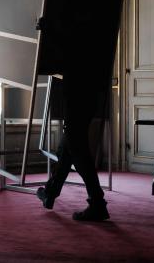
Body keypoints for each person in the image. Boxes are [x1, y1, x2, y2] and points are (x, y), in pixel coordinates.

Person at [35, 11, 110, 222]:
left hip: (78, 92)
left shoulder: (82, 31)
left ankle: (97, 203)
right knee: (69, 146)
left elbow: (70, 54)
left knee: (77, 149)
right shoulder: (98, 28)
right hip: (88, 94)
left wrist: (49, 31)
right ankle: (50, 192)